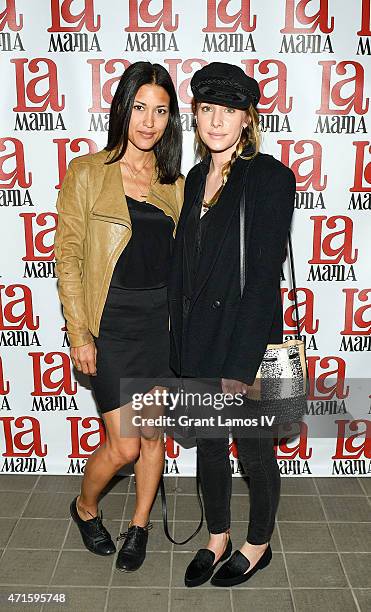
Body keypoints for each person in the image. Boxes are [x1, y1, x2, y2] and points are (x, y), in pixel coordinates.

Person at [167, 62, 296, 587]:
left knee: (255, 452)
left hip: (244, 345)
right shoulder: (195, 178)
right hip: (199, 341)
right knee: (212, 445)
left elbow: (263, 281)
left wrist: (241, 368)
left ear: (247, 119)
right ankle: (216, 536)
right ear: (196, 116)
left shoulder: (270, 177)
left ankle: (257, 543)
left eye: (230, 111)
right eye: (207, 110)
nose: (217, 121)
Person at [54, 61, 184, 572]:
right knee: (124, 446)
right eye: (139, 108)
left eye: (160, 111)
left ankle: (139, 525)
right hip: (111, 325)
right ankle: (85, 508)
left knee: (152, 436)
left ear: (170, 119)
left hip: (160, 325)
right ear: (122, 109)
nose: (149, 121)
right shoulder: (88, 173)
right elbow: (68, 257)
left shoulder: (173, 181)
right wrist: (79, 333)